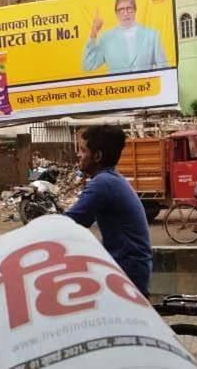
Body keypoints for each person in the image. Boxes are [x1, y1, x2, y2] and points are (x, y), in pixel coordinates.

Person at [65, 125, 152, 296]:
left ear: (97, 156)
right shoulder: (111, 178)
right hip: (129, 265)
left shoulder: (103, 183)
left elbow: (70, 222)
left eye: (83, 150)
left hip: (126, 270)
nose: (78, 155)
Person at [82, 0, 168, 74]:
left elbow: (163, 68)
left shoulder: (152, 35)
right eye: (121, 10)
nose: (125, 13)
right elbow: (88, 65)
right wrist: (94, 31)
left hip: (147, 88)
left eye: (129, 8)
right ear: (116, 13)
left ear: (135, 10)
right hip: (117, 88)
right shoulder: (106, 38)